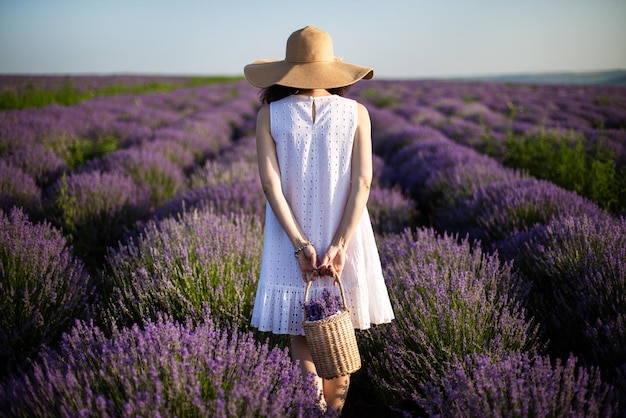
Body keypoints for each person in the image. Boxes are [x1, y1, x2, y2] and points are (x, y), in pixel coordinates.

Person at [244, 25, 394, 413]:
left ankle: (310, 410)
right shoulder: (356, 113)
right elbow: (363, 181)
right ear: (330, 70)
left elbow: (269, 184)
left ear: (288, 70)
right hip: (344, 234)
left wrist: (299, 244)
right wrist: (340, 244)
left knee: (302, 332)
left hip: (289, 238)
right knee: (338, 331)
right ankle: (334, 413)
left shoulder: (270, 115)